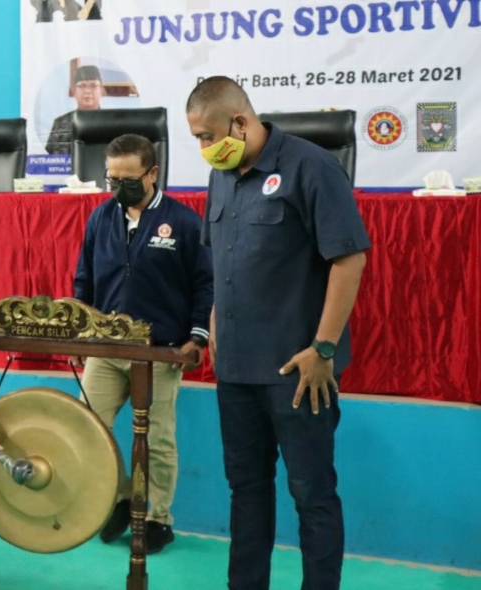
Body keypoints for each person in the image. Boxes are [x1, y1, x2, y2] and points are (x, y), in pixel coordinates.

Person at [185, 76, 370, 590]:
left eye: (207, 135)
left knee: (312, 494)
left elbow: (349, 259)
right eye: (196, 138)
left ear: (240, 123)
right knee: (246, 491)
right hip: (237, 371)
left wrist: (323, 348)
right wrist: (217, 321)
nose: (203, 148)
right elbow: (220, 258)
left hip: (298, 370)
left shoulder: (312, 167)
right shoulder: (222, 175)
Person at [73, 134, 213, 552]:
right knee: (91, 427)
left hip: (159, 351)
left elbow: (204, 285)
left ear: (152, 174)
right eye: (111, 179)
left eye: (128, 179)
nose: (118, 188)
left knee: (158, 439)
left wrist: (197, 338)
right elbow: (85, 278)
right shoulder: (100, 218)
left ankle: (158, 519)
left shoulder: (184, 222)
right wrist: (82, 326)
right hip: (106, 349)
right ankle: (118, 501)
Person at [45, 64, 104, 154]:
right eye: (82, 86)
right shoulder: (60, 123)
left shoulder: (111, 122)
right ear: (74, 91)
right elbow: (52, 161)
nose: (87, 91)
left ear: (102, 91)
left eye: (93, 86)